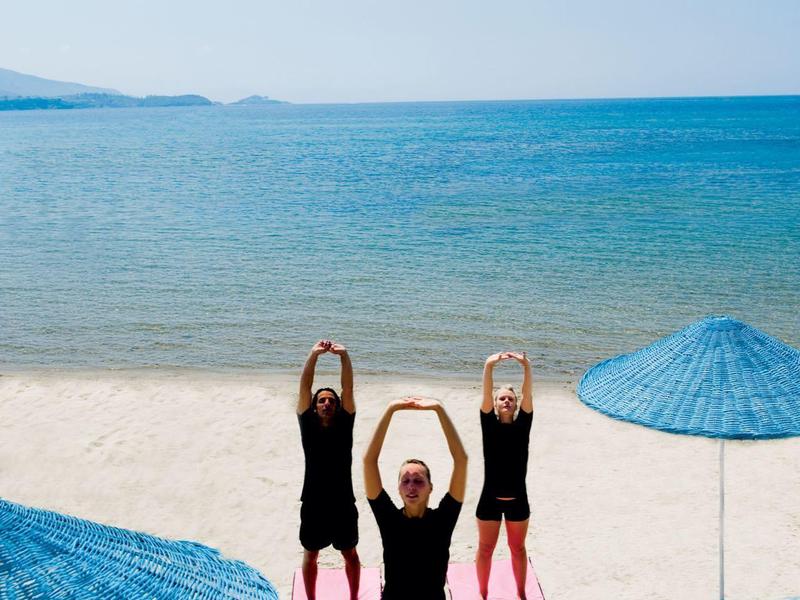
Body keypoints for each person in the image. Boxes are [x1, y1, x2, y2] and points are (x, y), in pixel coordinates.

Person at [363, 397, 468, 600]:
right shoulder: (389, 519)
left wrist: (439, 409)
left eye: (418, 481)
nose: (411, 486)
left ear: (430, 488)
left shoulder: (443, 519)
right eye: (406, 481)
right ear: (398, 489)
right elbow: (369, 461)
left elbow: (461, 460)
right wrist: (390, 408)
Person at [297, 339, 360, 600]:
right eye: (322, 401)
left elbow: (348, 387)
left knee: (350, 554)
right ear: (314, 407)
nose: (326, 404)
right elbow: (304, 386)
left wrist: (344, 355)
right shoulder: (307, 425)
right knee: (311, 554)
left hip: (343, 503)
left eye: (331, 401)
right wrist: (313, 354)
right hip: (312, 503)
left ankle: (354, 597)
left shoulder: (345, 424)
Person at [475, 351, 534, 600]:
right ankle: (483, 593)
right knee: (486, 548)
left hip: (518, 500)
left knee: (517, 548)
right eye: (502, 399)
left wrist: (526, 366)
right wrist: (489, 365)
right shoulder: (489, 425)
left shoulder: (523, 425)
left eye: (510, 398)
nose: (507, 401)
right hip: (489, 499)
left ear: (516, 404)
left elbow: (528, 394)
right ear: (496, 404)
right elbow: (485, 394)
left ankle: (521, 594)